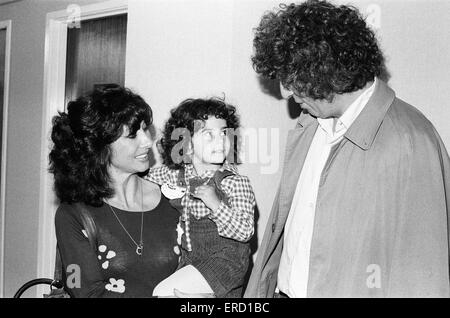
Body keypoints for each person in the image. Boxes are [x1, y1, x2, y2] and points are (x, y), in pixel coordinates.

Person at [245, 0, 450, 297]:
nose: (285, 92)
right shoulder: (309, 126)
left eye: (291, 79)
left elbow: (424, 280)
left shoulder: (411, 141)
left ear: (324, 69)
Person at [50, 85, 180, 297]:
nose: (148, 141)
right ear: (99, 147)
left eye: (146, 129)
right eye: (132, 135)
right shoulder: (73, 216)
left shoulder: (174, 199)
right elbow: (86, 292)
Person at [146, 97, 256, 298]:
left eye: (224, 133)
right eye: (208, 135)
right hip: (190, 259)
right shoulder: (178, 175)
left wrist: (216, 205)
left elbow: (246, 231)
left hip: (227, 261)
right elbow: (143, 179)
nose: (221, 141)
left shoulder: (234, 182)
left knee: (163, 293)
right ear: (186, 145)